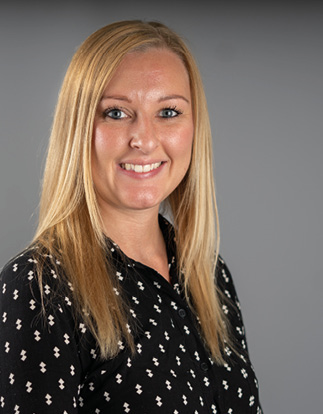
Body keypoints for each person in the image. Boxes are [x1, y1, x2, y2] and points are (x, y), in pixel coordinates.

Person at [0, 20, 262, 413]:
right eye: (117, 113)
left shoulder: (209, 276)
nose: (144, 138)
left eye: (169, 112)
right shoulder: (39, 289)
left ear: (194, 128)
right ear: (78, 128)